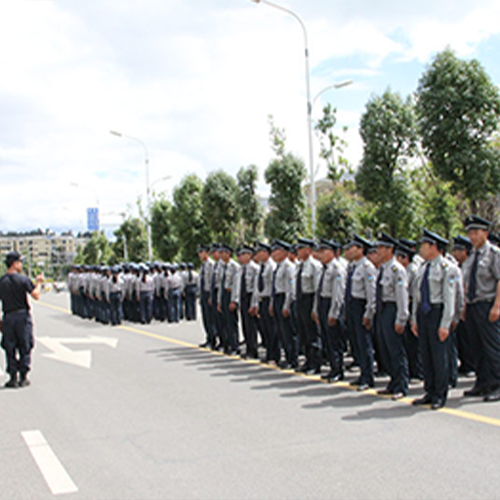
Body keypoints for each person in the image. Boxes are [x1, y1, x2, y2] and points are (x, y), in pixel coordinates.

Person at [412, 229, 455, 410]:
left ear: (434, 247)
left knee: (439, 357)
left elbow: (449, 298)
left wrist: (445, 324)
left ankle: (440, 394)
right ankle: (429, 391)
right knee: (426, 355)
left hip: (437, 313)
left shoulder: (447, 268)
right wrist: (414, 319)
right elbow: (417, 296)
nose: (421, 249)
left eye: (424, 245)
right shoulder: (423, 268)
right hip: (424, 314)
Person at [462, 215, 500, 402]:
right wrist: (463, 308)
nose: (472, 237)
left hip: (488, 304)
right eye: (470, 233)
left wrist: (497, 306)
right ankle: (483, 382)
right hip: (472, 306)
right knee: (476, 347)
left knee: (493, 348)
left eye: (476, 232)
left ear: (485, 233)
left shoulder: (494, 253)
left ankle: (497, 384)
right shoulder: (471, 257)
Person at [0, 251, 44, 388]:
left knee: (10, 347)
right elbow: (36, 295)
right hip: (22, 316)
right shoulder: (23, 280)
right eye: (20, 262)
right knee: (25, 346)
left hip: (8, 316)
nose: (21, 265)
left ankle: (13, 377)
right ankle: (23, 376)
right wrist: (38, 283)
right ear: (15, 264)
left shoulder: (2, 281)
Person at [374, 233, 409, 400]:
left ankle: (401, 385)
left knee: (396, 350)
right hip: (383, 309)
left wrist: (401, 318)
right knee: (386, 348)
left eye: (381, 247)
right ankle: (393, 381)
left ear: (390, 249)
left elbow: (402, 296)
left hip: (392, 309)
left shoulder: (397, 269)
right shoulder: (383, 268)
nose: (378, 250)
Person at [344, 234, 377, 390]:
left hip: (361, 306)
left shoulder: (367, 267)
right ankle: (362, 374)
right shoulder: (352, 266)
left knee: (364, 343)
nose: (348, 251)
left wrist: (369, 313)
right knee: (356, 342)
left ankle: (368, 377)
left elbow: (371, 293)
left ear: (360, 249)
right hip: (352, 305)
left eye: (352, 248)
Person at [313, 238, 346, 382]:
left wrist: (334, 313)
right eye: (319, 251)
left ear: (332, 253)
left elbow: (338, 294)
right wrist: (315, 309)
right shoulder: (322, 268)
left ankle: (338, 370)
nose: (320, 255)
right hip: (322, 303)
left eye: (323, 251)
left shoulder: (337, 268)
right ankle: (333, 368)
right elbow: (318, 291)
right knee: (326, 339)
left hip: (331, 304)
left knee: (334, 340)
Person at [295, 238, 323, 375]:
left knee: (312, 334)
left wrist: (315, 308)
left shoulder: (315, 265)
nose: (298, 252)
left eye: (300, 249)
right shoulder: (299, 265)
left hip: (309, 300)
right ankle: (307, 361)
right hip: (300, 301)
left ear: (307, 250)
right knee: (303, 333)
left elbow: (317, 289)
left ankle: (315, 363)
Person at [270, 239, 297, 369]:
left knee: (288, 331)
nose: (274, 254)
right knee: (281, 331)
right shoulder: (278, 267)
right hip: (277, 298)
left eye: (276, 251)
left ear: (284, 252)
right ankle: (287, 356)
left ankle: (293, 359)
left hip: (285, 299)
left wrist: (286, 305)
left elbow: (290, 289)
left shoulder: (288, 267)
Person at [235, 245, 260, 359]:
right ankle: (249, 348)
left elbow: (256, 288)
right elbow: (238, 286)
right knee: (245, 325)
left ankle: (253, 350)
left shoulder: (255, 268)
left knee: (251, 326)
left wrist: (254, 304)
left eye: (243, 255)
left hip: (251, 297)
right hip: (243, 297)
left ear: (250, 255)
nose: (241, 257)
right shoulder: (241, 269)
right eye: (240, 255)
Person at [217, 245, 240, 354]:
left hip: (231, 294)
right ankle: (227, 345)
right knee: (224, 322)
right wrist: (219, 301)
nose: (220, 255)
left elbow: (236, 284)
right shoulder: (221, 266)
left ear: (228, 253)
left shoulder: (235, 266)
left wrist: (234, 300)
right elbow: (220, 284)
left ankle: (235, 346)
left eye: (223, 253)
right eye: (220, 253)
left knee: (232, 323)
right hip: (224, 295)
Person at [198, 245, 215, 348]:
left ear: (207, 253)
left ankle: (213, 339)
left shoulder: (211, 264)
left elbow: (212, 283)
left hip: (209, 293)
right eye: (199, 253)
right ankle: (208, 337)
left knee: (211, 318)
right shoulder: (203, 266)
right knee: (205, 317)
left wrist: (211, 296)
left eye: (202, 252)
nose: (200, 254)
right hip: (204, 293)